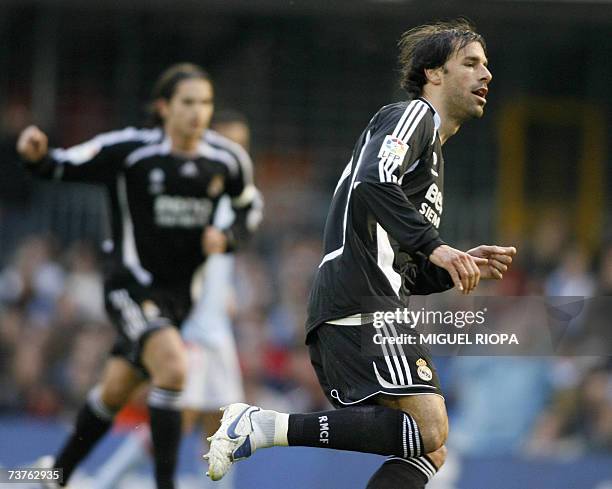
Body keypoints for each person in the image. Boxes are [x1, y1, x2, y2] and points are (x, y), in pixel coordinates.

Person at [205, 19, 516, 488]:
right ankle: (262, 425)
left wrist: (456, 265)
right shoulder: (413, 116)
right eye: (470, 63)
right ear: (433, 74)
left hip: (366, 299)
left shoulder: (431, 154)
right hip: (362, 301)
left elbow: (403, 263)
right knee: (431, 428)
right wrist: (438, 247)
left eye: (486, 66)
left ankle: (264, 427)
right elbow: (373, 181)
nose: (485, 75)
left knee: (429, 448)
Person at [17, 63, 262, 489]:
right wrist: (37, 155)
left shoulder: (226, 160)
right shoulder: (130, 151)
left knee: (113, 391)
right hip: (129, 284)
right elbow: (61, 165)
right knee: (173, 368)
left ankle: (55, 474)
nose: (198, 112)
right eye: (188, 102)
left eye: (205, 103)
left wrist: (227, 237)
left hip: (179, 299)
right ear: (164, 107)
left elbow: (250, 208)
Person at [91, 111, 253, 489]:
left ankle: (214, 485)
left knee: (226, 420)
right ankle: (103, 480)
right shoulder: (193, 192)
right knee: (178, 417)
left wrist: (224, 290)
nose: (234, 152)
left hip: (218, 327)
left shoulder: (236, 196)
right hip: (192, 323)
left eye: (240, 144)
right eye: (227, 142)